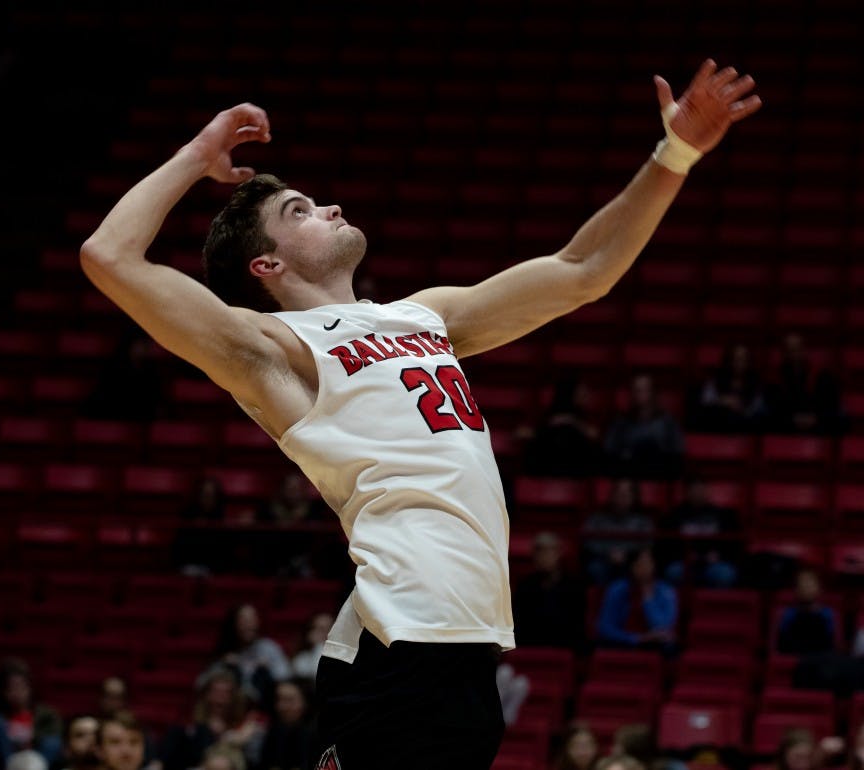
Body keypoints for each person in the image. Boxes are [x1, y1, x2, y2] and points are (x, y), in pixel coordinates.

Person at [79, 58, 760, 769]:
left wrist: (675, 153)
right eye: (300, 212)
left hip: (465, 642)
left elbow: (582, 271)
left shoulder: (423, 315)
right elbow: (110, 256)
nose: (331, 208)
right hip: (404, 637)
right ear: (267, 267)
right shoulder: (272, 349)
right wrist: (197, 155)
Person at [0, 658, 63, 770]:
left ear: (30, 688)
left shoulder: (46, 714)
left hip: (34, 759)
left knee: (52, 743)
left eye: (21, 687)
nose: (17, 693)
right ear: (2, 691)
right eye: (11, 688)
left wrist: (31, 740)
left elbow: (54, 737)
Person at [661, 476, 742, 588]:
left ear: (708, 491)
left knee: (725, 574)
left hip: (715, 564)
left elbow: (733, 544)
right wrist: (683, 555)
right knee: (673, 572)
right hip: (684, 563)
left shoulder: (723, 515)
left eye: (702, 489)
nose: (698, 493)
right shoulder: (674, 516)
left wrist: (719, 555)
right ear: (687, 492)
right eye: (695, 490)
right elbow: (666, 546)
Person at [512, 532, 587, 649]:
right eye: (538, 552)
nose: (543, 557)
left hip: (563, 648)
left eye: (548, 551)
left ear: (558, 553)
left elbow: (577, 625)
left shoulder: (573, 586)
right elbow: (519, 624)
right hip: (530, 647)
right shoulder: (525, 586)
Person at [596, 547, 678, 655]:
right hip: (624, 642)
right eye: (640, 564)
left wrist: (648, 599)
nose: (645, 568)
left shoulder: (665, 591)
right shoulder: (617, 589)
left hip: (654, 644)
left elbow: (663, 627)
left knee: (668, 647)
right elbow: (605, 627)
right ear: (632, 567)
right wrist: (636, 639)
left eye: (648, 563)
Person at [605, 373, 686, 478]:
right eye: (637, 390)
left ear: (653, 392)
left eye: (645, 389)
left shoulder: (668, 423)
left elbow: (677, 455)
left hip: (659, 476)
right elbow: (609, 452)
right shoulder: (620, 423)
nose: (640, 394)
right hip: (629, 476)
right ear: (632, 394)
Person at [210, 604, 292, 707]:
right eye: (243, 620)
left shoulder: (269, 648)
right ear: (234, 623)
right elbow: (203, 684)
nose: (249, 625)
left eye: (252, 619)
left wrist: (268, 670)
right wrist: (225, 669)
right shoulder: (225, 651)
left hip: (267, 706)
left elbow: (287, 678)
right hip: (232, 708)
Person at [524, 373, 604, 477]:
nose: (586, 395)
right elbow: (524, 433)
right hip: (548, 468)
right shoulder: (550, 415)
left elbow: (595, 435)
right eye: (582, 393)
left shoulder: (585, 418)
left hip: (578, 470)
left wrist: (572, 422)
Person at [582, 478, 654, 585]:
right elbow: (588, 542)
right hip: (604, 560)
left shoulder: (643, 521)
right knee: (595, 568)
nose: (623, 498)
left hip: (632, 561)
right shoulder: (597, 519)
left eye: (627, 494)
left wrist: (627, 555)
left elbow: (647, 544)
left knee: (642, 568)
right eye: (619, 493)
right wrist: (608, 553)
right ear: (612, 495)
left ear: (634, 497)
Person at [256, 679, 315, 770]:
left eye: (289, 700)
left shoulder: (319, 734)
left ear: (306, 702)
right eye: (278, 699)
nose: (281, 707)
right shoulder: (275, 730)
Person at [777, 569, 838, 656]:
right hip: (795, 656)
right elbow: (783, 644)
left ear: (819, 589)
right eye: (802, 584)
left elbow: (830, 643)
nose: (806, 588)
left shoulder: (827, 614)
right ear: (796, 590)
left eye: (810, 584)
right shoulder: (788, 614)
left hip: (820, 658)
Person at [290, 613, 334, 681]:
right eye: (321, 629)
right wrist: (319, 646)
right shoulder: (301, 658)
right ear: (310, 633)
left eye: (330, 628)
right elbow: (318, 676)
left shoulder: (345, 655)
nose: (327, 633)